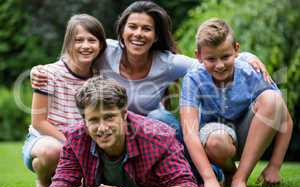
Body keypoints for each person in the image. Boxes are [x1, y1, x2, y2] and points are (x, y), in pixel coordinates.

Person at [31, 1, 270, 142]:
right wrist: (40, 71)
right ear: (122, 30)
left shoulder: (167, 62)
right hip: (115, 126)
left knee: (159, 117)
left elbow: (210, 62)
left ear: (156, 36)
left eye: (147, 29)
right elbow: (74, 55)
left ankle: (194, 170)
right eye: (132, 27)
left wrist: (245, 56)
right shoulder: (106, 51)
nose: (138, 34)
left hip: (151, 127)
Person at [180, 18, 293, 187]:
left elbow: (285, 117)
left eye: (225, 56)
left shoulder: (251, 71)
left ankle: (240, 179)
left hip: (251, 134)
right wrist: (209, 178)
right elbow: (189, 131)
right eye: (211, 59)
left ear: (236, 50)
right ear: (199, 56)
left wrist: (275, 166)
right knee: (216, 141)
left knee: (273, 99)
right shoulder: (193, 78)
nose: (219, 65)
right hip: (216, 136)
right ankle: (230, 172)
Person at [49, 76, 200, 187]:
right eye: (94, 120)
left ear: (124, 114)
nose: (102, 128)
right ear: (84, 121)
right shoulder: (76, 138)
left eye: (109, 117)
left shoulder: (158, 137)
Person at [22, 14, 107, 187]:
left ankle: (69, 180)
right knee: (52, 151)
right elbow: (39, 122)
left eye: (91, 40)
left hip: (83, 143)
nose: (85, 45)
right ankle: (44, 180)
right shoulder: (47, 73)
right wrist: (72, 144)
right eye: (78, 40)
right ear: (69, 43)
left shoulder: (100, 78)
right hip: (45, 140)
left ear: (100, 45)